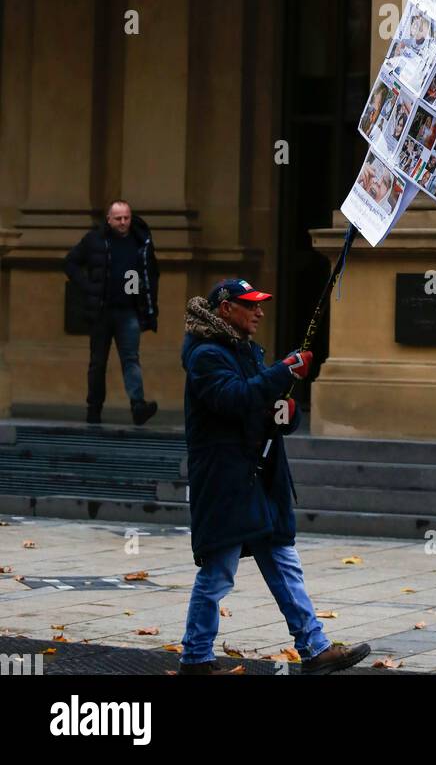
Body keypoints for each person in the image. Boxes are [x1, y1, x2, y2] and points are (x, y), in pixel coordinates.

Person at [180, 278, 370, 675]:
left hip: (261, 479)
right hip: (228, 482)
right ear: (226, 309)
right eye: (251, 305)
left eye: (260, 305)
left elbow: (263, 406)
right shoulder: (206, 355)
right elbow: (233, 399)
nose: (260, 312)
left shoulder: (246, 351)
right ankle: (196, 657)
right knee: (218, 572)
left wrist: (285, 410)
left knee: (285, 563)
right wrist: (282, 372)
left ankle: (315, 649)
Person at [64, 199, 159, 426]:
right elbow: (71, 263)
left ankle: (138, 406)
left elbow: (149, 273)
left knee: (131, 359)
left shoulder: (140, 241)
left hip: (128, 312)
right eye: (118, 218)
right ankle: (94, 409)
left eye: (126, 217)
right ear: (109, 219)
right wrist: (88, 287)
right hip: (102, 312)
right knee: (98, 362)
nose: (123, 222)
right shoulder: (95, 239)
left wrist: (140, 299)